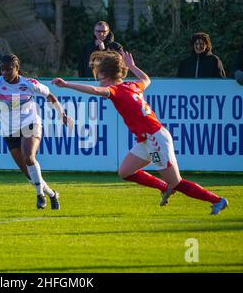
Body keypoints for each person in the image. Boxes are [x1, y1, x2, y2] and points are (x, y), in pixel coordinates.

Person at [52, 50, 228, 215]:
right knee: (125, 172)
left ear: (107, 75)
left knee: (176, 182)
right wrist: (132, 66)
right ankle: (164, 187)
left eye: (99, 75)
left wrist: (66, 85)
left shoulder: (116, 90)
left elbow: (95, 91)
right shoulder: (133, 86)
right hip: (147, 139)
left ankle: (217, 200)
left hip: (155, 139)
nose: (98, 80)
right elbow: (146, 79)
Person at [0, 54, 74, 209]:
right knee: (28, 172)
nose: (5, 73)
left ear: (17, 68)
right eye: (2, 70)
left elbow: (50, 96)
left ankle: (40, 195)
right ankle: (52, 194)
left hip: (30, 123)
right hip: (9, 130)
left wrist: (62, 114)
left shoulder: (29, 84)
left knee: (28, 156)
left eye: (8, 70)